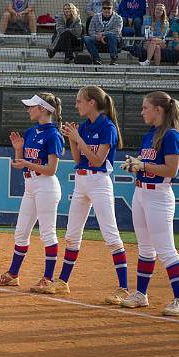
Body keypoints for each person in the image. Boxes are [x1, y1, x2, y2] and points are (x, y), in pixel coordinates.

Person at [41, 86, 129, 306]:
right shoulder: (86, 126)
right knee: (71, 235)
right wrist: (73, 138)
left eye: (80, 101)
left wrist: (78, 137)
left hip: (99, 182)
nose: (76, 104)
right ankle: (63, 281)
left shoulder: (107, 126)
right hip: (81, 180)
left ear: (92, 103)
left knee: (111, 235)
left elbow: (98, 161)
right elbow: (80, 160)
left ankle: (124, 288)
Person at [0, 94, 64, 291]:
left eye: (32, 107)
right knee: (21, 232)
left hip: (46, 186)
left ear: (44, 109)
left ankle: (48, 279)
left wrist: (26, 162)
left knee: (47, 233)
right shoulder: (30, 132)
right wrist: (19, 150)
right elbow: (22, 166)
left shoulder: (54, 135)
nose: (29, 110)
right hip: (30, 185)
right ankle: (13, 274)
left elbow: (51, 169)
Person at [118, 91, 179, 317]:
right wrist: (135, 165)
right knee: (145, 249)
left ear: (158, 109)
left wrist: (143, 165)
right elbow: (146, 164)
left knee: (166, 250)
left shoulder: (172, 135)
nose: (142, 111)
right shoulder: (150, 134)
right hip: (141, 194)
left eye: (146, 107)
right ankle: (141, 294)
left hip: (159, 196)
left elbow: (172, 170)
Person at [83, 0, 122, 65]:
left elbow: (116, 31)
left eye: (109, 8)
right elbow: (90, 31)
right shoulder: (95, 17)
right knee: (86, 38)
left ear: (112, 8)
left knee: (111, 35)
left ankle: (114, 59)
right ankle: (97, 59)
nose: (106, 10)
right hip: (98, 39)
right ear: (102, 8)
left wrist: (103, 34)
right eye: (104, 8)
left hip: (112, 40)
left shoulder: (118, 18)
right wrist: (98, 37)